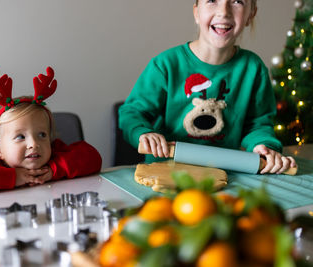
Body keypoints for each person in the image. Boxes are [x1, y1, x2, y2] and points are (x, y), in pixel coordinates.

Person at [119, 0, 297, 174]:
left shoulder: (254, 68)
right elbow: (133, 113)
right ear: (196, 12)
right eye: (212, 0)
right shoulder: (166, 64)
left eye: (237, 2)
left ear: (251, 14)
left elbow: (258, 125)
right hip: (165, 172)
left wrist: (264, 147)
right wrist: (143, 133)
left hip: (223, 175)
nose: (224, 11)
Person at [0, 67, 102, 196]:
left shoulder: (53, 156)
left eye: (42, 135)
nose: (34, 144)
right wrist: (10, 177)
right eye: (20, 137)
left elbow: (93, 157)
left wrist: (54, 170)